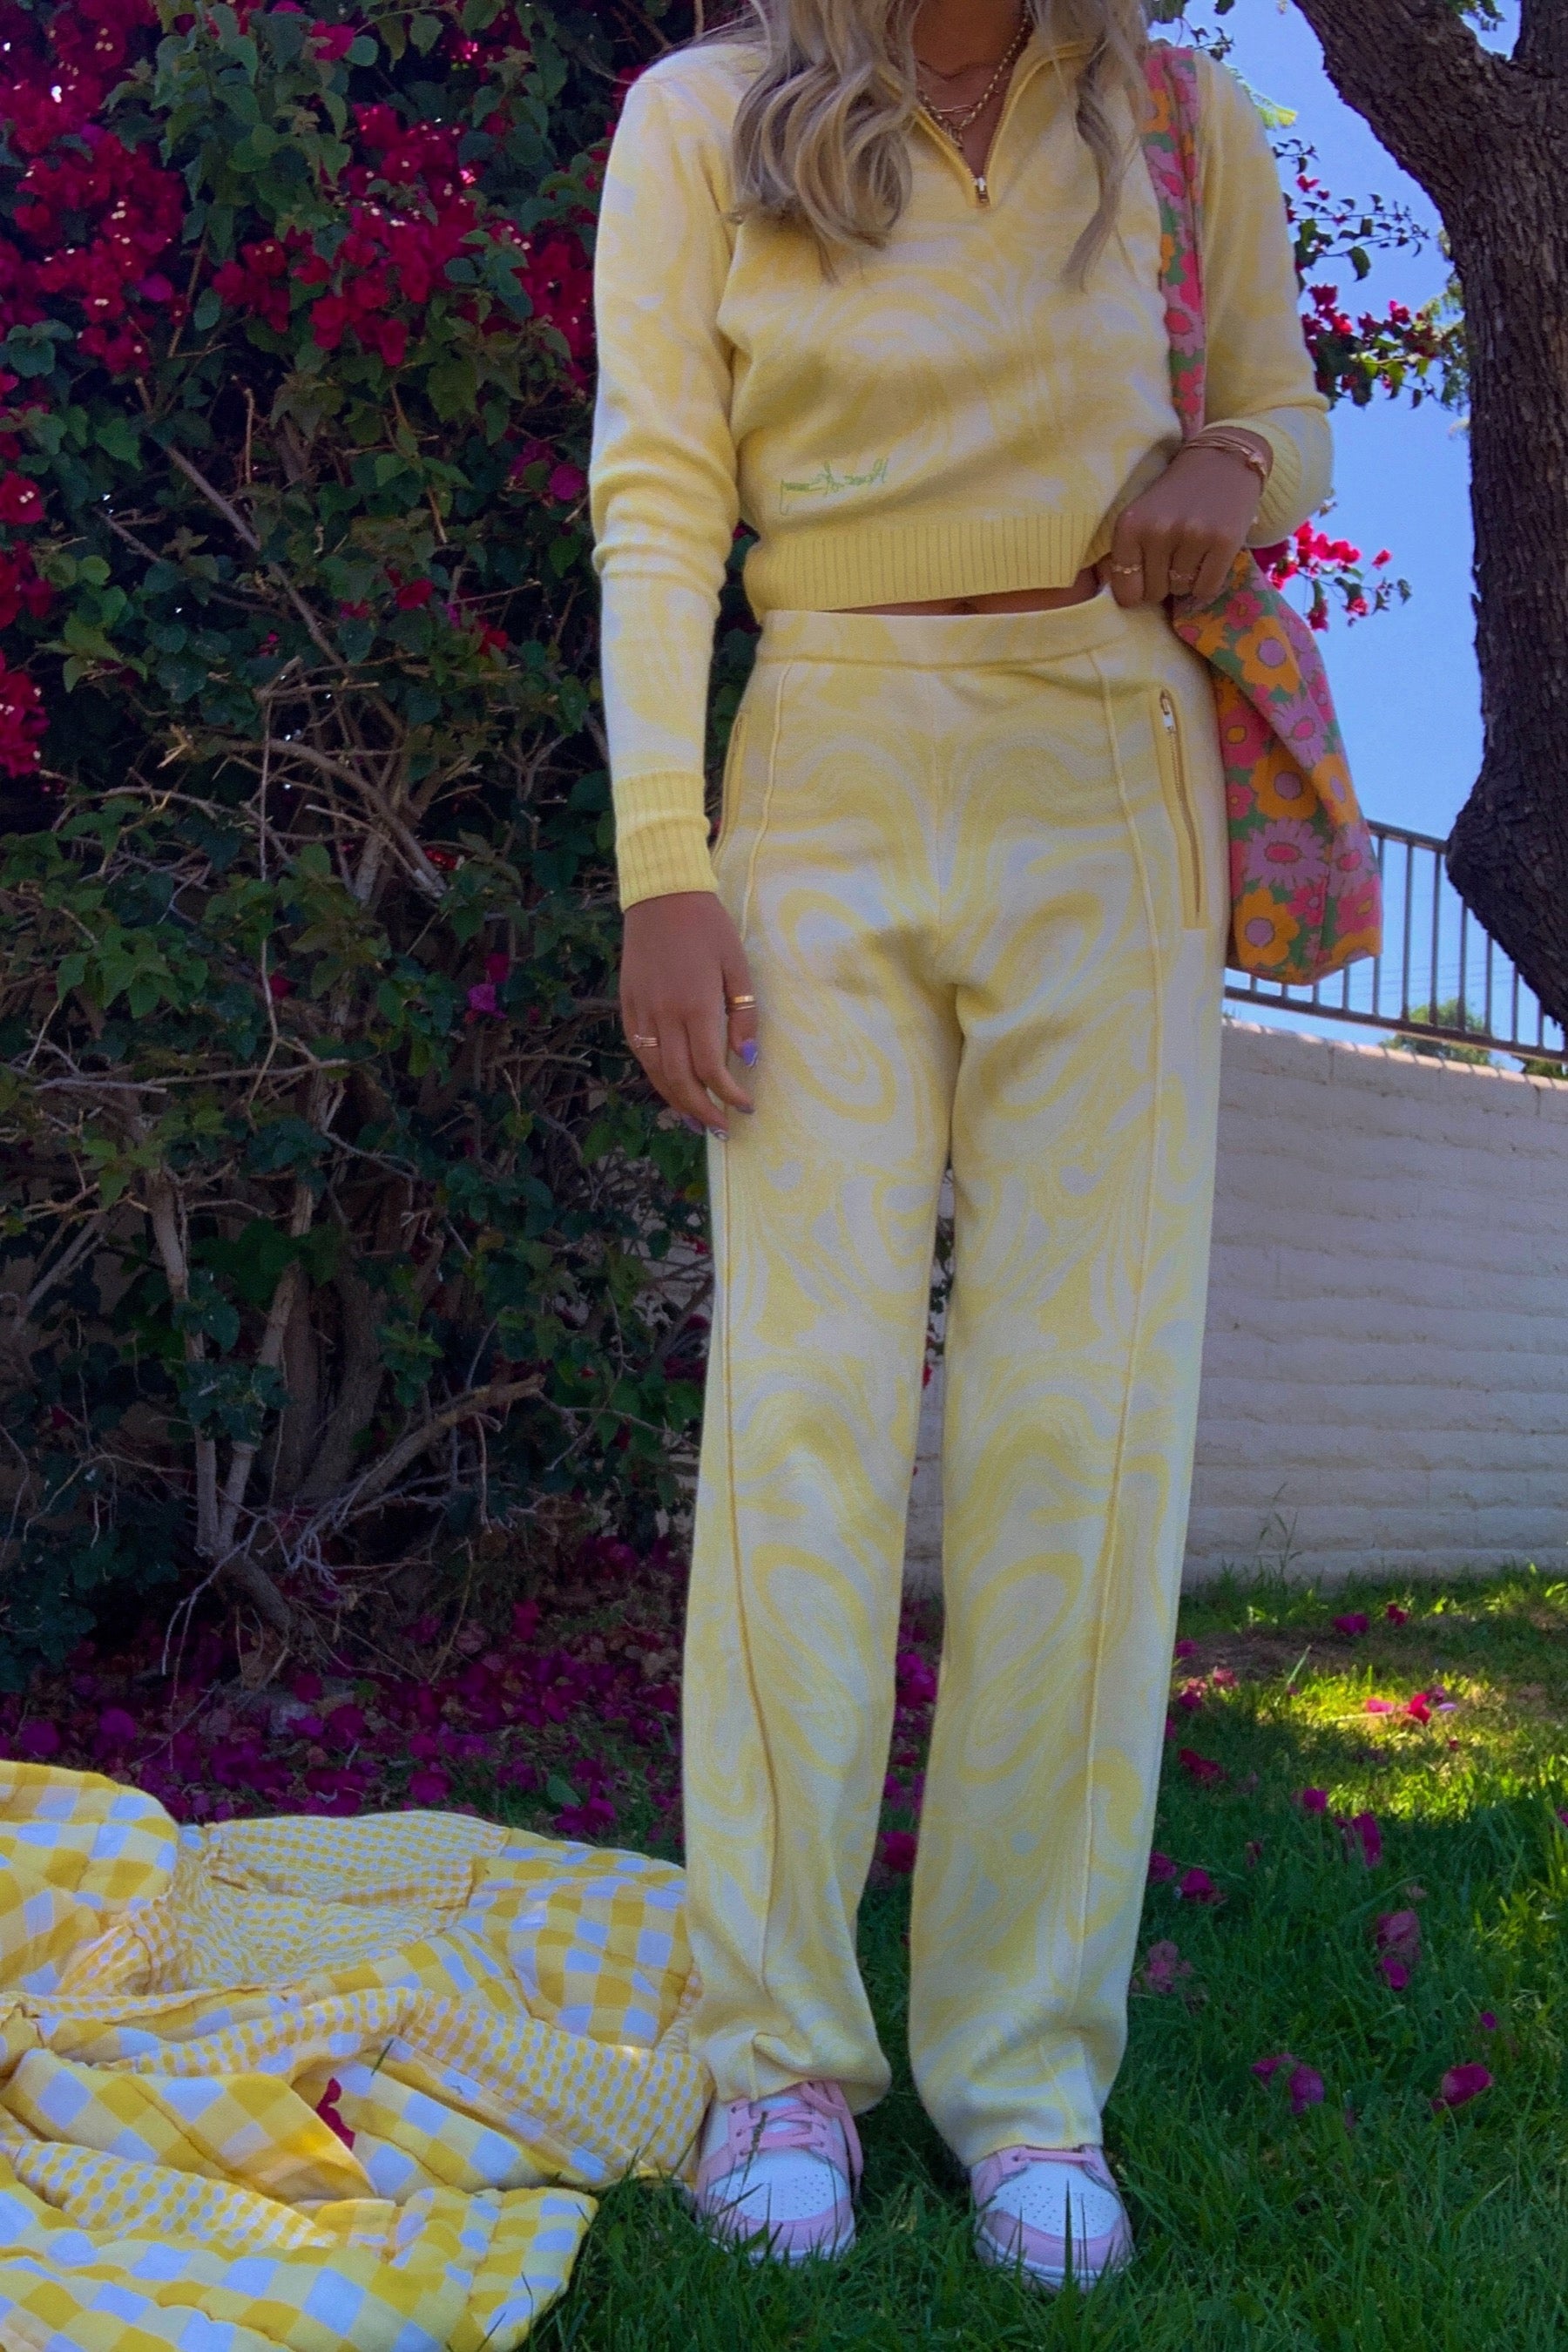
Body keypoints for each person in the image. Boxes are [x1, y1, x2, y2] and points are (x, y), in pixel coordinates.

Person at [589, 0, 1329, 2288]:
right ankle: (779, 2059)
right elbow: (659, 488)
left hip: (1110, 768)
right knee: (798, 1417)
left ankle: (1028, 2080)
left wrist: (1236, 469)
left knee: (1079, 1424)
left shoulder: (1186, 119)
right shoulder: (705, 119)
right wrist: (662, 861)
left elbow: (1281, 414)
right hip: (822, 752)